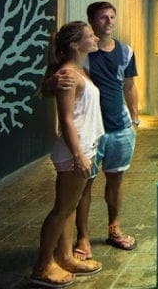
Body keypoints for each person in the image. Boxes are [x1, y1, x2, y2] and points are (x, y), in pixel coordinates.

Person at [31, 22, 105, 288]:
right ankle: (42, 266)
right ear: (75, 44)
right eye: (89, 36)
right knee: (61, 210)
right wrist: (78, 155)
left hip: (84, 147)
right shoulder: (68, 74)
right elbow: (66, 120)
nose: (95, 37)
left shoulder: (77, 70)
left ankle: (64, 257)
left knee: (69, 207)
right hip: (76, 150)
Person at [70, 1, 140, 258]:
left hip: (120, 129)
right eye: (103, 18)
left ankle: (114, 229)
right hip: (91, 131)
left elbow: (129, 86)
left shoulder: (126, 51)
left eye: (112, 16)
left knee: (116, 181)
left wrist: (134, 119)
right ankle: (83, 239)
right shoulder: (83, 54)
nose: (109, 21)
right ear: (92, 21)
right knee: (84, 186)